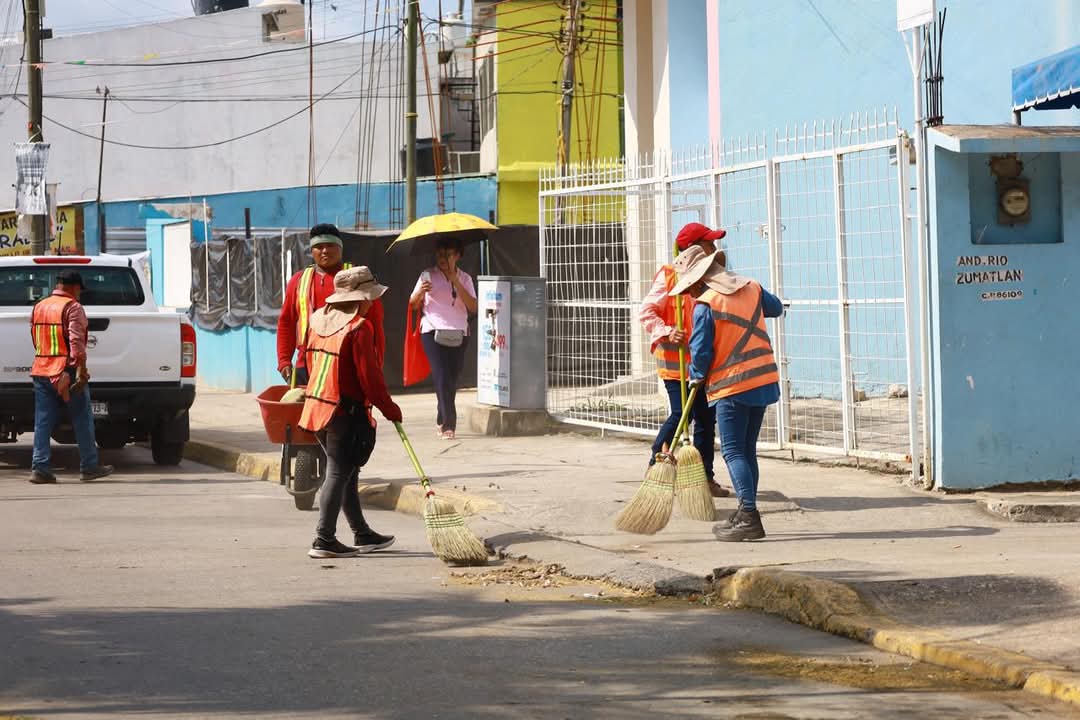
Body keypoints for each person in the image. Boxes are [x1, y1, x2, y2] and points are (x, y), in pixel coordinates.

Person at [669, 245, 784, 542]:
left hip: (732, 385)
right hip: (763, 379)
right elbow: (775, 307)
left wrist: (696, 377)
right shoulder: (753, 287)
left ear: (699, 279)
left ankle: (748, 516)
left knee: (733, 452)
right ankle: (746, 511)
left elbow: (701, 351)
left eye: (690, 286)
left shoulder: (707, 303)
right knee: (747, 450)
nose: (690, 293)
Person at [298, 266, 402, 558]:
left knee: (347, 472)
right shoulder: (359, 327)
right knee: (338, 472)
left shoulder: (317, 320)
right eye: (370, 297)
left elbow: (307, 363)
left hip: (317, 407)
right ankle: (324, 539)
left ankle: (361, 533)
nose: (373, 302)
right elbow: (370, 378)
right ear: (359, 298)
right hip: (345, 411)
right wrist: (389, 408)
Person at [639, 222, 729, 498]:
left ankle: (703, 478)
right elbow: (646, 312)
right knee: (682, 415)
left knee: (705, 420)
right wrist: (667, 331)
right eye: (708, 243)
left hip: (705, 366)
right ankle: (657, 463)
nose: (713, 248)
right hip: (676, 366)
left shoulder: (712, 276)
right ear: (692, 248)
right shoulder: (668, 276)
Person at [28, 271, 113, 484]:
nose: (80, 294)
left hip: (41, 369)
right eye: (79, 290)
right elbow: (77, 345)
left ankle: (40, 468)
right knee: (82, 419)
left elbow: (35, 337)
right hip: (67, 371)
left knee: (43, 422)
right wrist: (80, 371)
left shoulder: (39, 306)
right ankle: (89, 466)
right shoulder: (73, 308)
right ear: (74, 287)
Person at [277, 223, 385, 386]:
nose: (325, 250)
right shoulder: (298, 281)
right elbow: (286, 322)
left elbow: (375, 322)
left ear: (340, 248)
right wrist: (284, 361)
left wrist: (375, 364)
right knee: (308, 411)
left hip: (347, 365)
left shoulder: (357, 277)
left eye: (330, 245)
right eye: (319, 246)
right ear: (312, 251)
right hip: (306, 365)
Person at [408, 236, 477, 440]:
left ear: (457, 256)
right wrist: (420, 292)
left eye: (447, 255)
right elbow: (412, 304)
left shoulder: (464, 278)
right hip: (432, 330)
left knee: (451, 378)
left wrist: (454, 279)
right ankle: (448, 424)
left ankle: (442, 414)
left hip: (459, 332)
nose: (443, 259)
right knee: (441, 375)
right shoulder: (427, 274)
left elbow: (473, 306)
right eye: (439, 255)